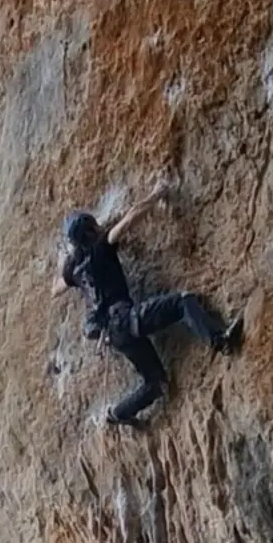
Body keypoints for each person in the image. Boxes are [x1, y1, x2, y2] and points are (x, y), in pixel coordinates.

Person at [52, 179, 242, 426]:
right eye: (94, 225)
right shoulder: (101, 247)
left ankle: (118, 413)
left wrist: (64, 261)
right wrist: (155, 194)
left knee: (156, 384)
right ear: (90, 231)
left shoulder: (73, 269)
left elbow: (55, 289)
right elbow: (130, 220)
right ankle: (220, 340)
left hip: (112, 336)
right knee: (183, 302)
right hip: (127, 319)